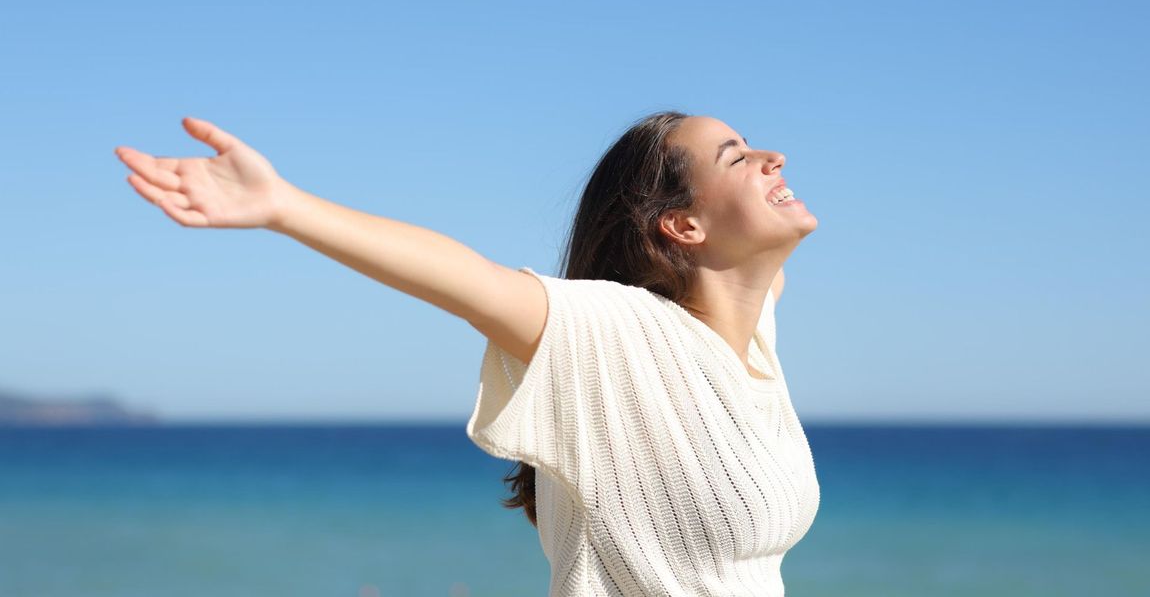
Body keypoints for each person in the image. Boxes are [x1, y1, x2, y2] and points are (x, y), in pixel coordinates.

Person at [114, 110, 820, 596]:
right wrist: (284, 205)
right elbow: (465, 277)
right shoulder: (617, 334)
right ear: (682, 223)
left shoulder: (753, 339)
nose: (772, 155)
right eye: (737, 155)